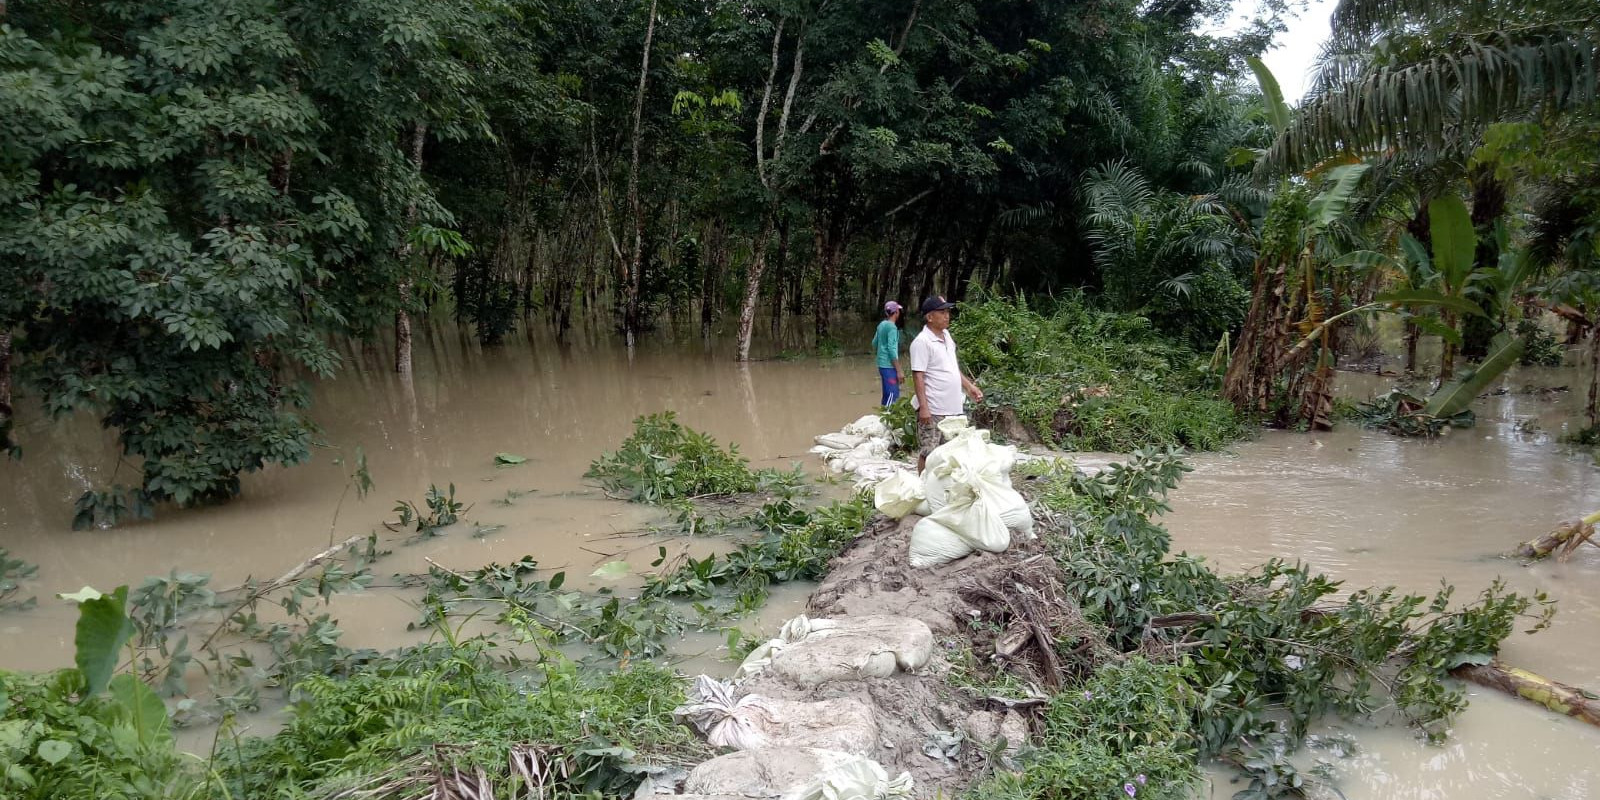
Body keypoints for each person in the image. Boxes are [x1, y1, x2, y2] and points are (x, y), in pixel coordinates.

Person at [910, 295, 982, 471]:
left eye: (947, 311)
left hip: (952, 407)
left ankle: (942, 489)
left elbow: (951, 367)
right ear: (930, 317)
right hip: (934, 408)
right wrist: (924, 408)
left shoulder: (947, 336)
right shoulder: (922, 342)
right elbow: (918, 376)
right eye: (942, 312)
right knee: (929, 452)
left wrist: (969, 386)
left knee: (950, 452)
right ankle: (922, 487)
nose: (947, 315)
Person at [872, 301, 904, 406]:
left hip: (881, 365)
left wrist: (881, 353)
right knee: (893, 395)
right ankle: (890, 416)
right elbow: (891, 349)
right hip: (889, 366)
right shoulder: (892, 328)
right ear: (896, 312)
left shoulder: (881, 325)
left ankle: (883, 415)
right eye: (898, 310)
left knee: (886, 394)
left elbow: (874, 343)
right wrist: (899, 370)